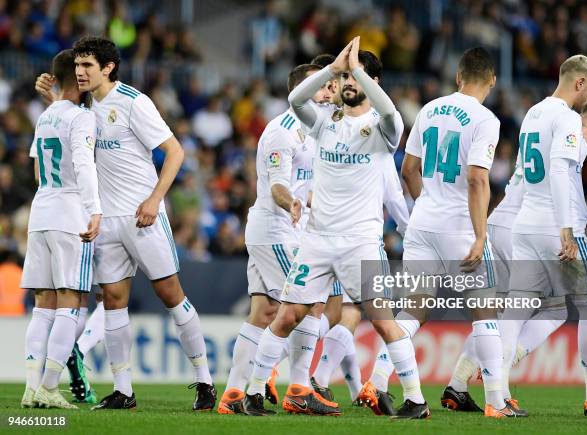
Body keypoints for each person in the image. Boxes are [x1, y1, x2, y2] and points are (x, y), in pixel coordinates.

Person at [242, 37, 423, 420]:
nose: (347, 85)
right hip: (316, 240)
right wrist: (332, 69)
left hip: (360, 242)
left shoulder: (381, 130)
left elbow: (393, 114)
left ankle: (415, 400)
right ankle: (255, 393)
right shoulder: (324, 122)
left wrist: (356, 71)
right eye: (343, 81)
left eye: (354, 80)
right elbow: (295, 101)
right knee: (288, 315)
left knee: (383, 322)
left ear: (368, 83)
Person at [35, 36, 215, 411]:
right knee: (114, 302)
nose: (80, 72)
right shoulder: (82, 108)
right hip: (104, 220)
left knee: (171, 295)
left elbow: (175, 151)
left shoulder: (134, 102)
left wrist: (154, 199)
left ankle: (205, 381)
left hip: (143, 217)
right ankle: (124, 390)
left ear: (108, 67)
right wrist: (52, 101)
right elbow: (69, 133)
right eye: (78, 65)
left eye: (87, 65)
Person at [363, 46, 516, 418]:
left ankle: (377, 380)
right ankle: (497, 401)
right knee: (486, 311)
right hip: (459, 227)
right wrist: (480, 236)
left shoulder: (429, 109)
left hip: (422, 223)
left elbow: (408, 170)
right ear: (492, 81)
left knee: (415, 309)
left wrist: (424, 205)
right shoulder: (485, 119)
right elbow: (478, 179)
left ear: (458, 77)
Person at [217, 63, 334, 414]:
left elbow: (305, 184)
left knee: (263, 311)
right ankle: (297, 387)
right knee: (309, 302)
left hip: (282, 230)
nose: (329, 92)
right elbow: (279, 185)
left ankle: (233, 394)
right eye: (322, 86)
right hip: (277, 230)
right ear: (301, 91)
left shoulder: (315, 130)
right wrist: (293, 204)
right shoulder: (282, 132)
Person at [499, 54, 587, 414]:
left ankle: (497, 397)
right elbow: (559, 171)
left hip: (524, 225)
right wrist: (566, 230)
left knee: (516, 308)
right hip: (552, 228)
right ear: (579, 82)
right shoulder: (569, 118)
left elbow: (528, 175)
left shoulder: (533, 113)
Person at [21, 49, 101, 409]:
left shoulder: (45, 115)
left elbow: (38, 171)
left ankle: (30, 386)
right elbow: (84, 165)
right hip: (70, 215)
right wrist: (94, 209)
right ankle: (51, 388)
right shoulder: (82, 118)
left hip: (40, 212)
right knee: (73, 301)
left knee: (43, 305)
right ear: (80, 77)